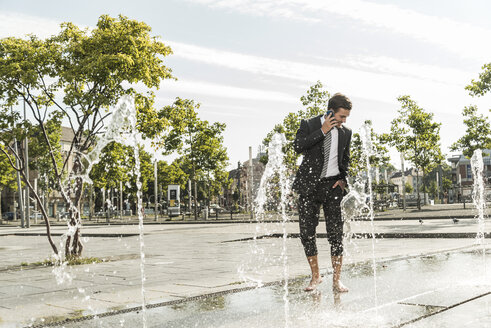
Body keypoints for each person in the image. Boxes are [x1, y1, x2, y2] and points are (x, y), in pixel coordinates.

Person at [292, 93, 352, 292]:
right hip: (309, 186)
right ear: (330, 111)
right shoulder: (309, 124)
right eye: (342, 116)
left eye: (346, 117)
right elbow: (298, 146)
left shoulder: (346, 132)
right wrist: (323, 130)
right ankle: (315, 277)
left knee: (336, 234)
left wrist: (343, 180)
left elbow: (346, 159)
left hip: (333, 187)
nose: (344, 121)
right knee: (307, 233)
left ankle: (336, 280)